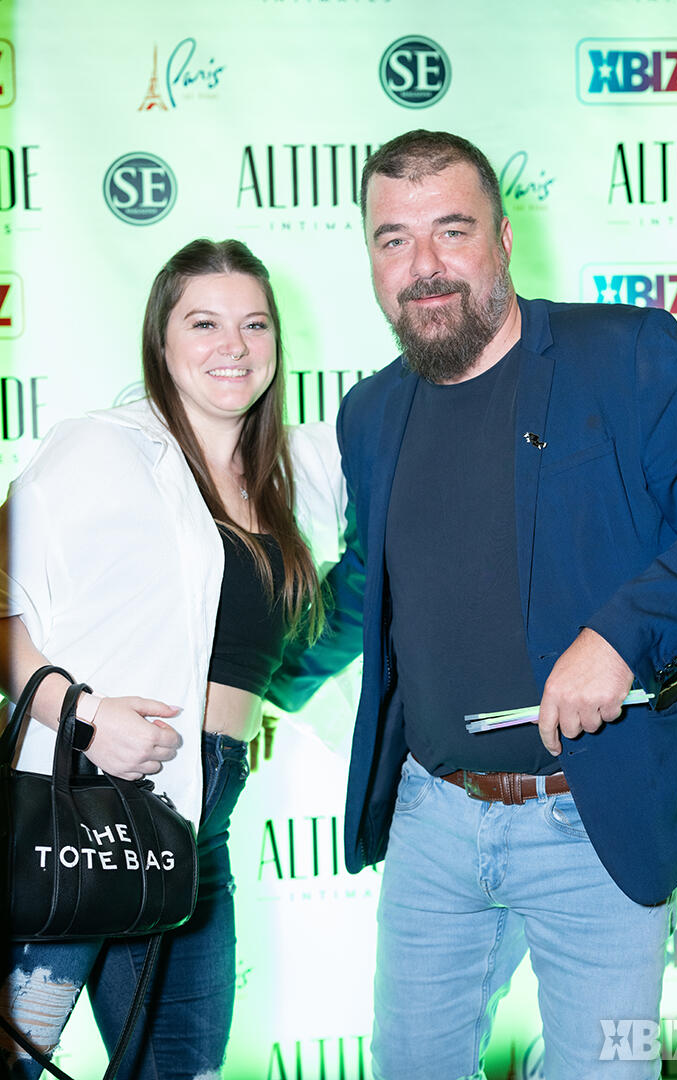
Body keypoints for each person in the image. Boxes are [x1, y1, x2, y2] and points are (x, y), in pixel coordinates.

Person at [268, 130, 677, 1080]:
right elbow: (370, 582)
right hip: (433, 823)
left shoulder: (627, 355)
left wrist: (621, 639)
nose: (424, 265)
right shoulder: (370, 412)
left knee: (614, 1071)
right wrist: (258, 674)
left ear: (504, 239)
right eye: (394, 239)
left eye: (452, 230)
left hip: (598, 825)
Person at [0, 238, 346, 1079]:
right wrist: (83, 715)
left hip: (199, 829)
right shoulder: (99, 448)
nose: (234, 345)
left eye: (254, 324)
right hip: (79, 814)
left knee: (181, 1071)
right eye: (204, 323)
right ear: (162, 340)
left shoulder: (297, 471)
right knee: (14, 1059)